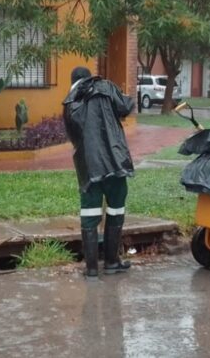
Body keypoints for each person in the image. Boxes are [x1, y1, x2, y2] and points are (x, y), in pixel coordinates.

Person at [62, 66, 135, 279]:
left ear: (73, 80)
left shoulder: (70, 99)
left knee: (90, 214)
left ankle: (92, 269)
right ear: (88, 77)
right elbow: (126, 106)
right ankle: (112, 262)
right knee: (116, 209)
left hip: (89, 166)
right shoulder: (106, 86)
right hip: (115, 162)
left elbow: (73, 134)